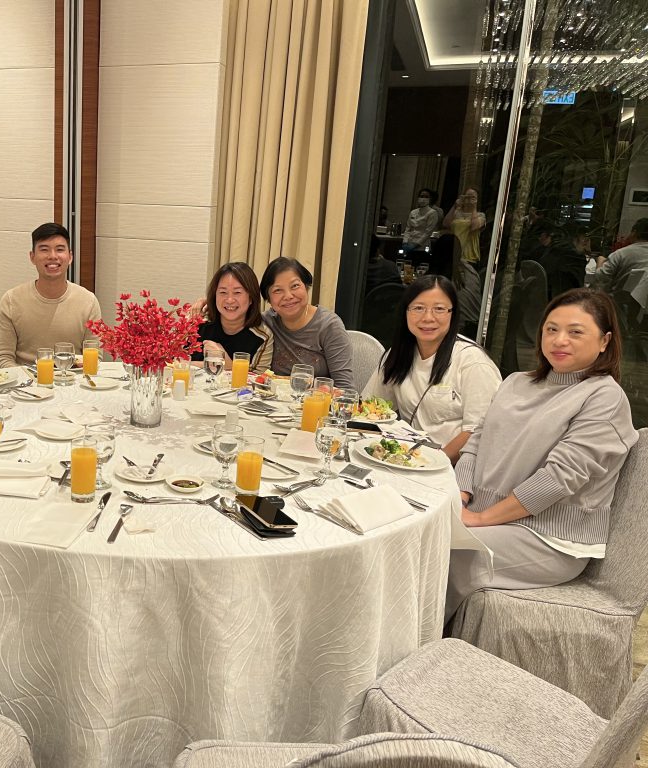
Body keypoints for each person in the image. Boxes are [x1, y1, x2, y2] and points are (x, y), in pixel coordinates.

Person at [446, 289, 638, 621]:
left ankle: (419, 644)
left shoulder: (604, 397)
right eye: (551, 329)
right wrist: (461, 495)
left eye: (575, 332)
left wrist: (480, 519)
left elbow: (559, 479)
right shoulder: (515, 382)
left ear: (604, 341)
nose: (559, 340)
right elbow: (477, 441)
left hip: (548, 538)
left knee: (440, 551)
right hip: (484, 516)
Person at [363, 275, 501, 464]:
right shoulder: (398, 354)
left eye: (439, 309)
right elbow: (372, 407)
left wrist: (433, 462)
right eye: (418, 308)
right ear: (406, 312)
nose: (428, 318)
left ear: (453, 313)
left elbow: (477, 432)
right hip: (406, 459)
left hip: (451, 467)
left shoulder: (473, 362)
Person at [0, 222, 101, 369]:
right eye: (44, 250)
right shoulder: (12, 300)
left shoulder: (88, 301)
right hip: (25, 381)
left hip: (73, 379)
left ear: (70, 257)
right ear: (32, 257)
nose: (52, 256)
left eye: (60, 249)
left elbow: (95, 358)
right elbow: (2, 358)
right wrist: (31, 379)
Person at [259, 256, 354, 387]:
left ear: (306, 287)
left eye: (295, 286)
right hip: (272, 399)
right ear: (269, 299)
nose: (288, 296)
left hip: (318, 398)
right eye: (278, 290)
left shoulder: (329, 326)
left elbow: (345, 388)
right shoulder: (265, 323)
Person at [190, 262, 273, 372]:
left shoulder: (262, 336)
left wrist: (229, 366)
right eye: (223, 292)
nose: (229, 300)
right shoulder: (198, 322)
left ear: (251, 298)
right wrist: (212, 364)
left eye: (237, 292)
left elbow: (260, 379)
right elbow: (175, 363)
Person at [593, 217, 648, 297]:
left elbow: (600, 278)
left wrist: (600, 261)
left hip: (616, 301)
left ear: (634, 232)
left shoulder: (621, 254)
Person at [443, 188, 486, 265]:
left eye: (473, 197)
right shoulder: (456, 212)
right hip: (453, 250)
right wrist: (455, 206)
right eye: (467, 197)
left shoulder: (480, 215)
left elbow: (474, 227)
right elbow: (445, 224)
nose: (469, 200)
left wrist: (474, 208)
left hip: (468, 254)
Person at [402, 188, 440, 254]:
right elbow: (408, 229)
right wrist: (405, 242)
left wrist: (415, 245)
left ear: (430, 199)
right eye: (421, 196)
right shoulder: (413, 212)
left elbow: (427, 233)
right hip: (409, 243)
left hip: (422, 247)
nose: (423, 198)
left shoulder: (432, 213)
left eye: (426, 197)